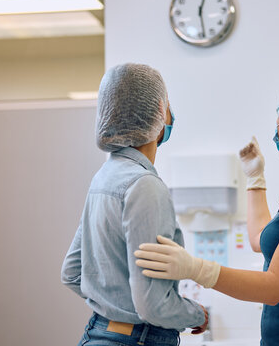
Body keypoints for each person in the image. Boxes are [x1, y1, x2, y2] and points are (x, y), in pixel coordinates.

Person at [135, 71, 279, 345]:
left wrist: (196, 269)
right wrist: (255, 179)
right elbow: (259, 239)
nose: (276, 123)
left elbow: (274, 287)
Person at [61, 63, 208, 346]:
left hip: (97, 334)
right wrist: (196, 315)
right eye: (166, 105)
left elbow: (71, 272)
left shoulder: (103, 177)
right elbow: (152, 306)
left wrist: (112, 304)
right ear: (157, 112)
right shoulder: (144, 186)